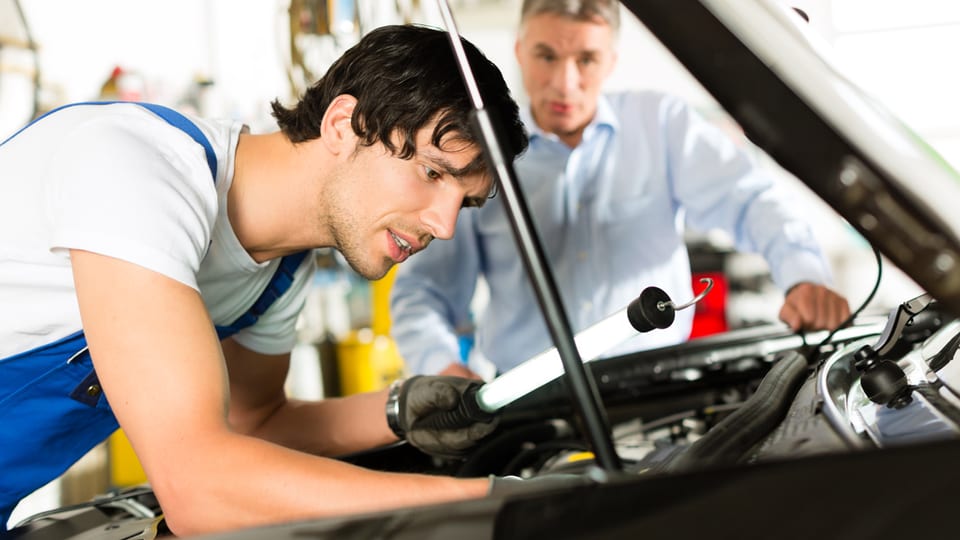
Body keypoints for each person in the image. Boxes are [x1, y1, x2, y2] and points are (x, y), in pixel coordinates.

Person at [0, 24, 528, 536]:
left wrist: (397, 409)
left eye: (467, 202)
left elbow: (254, 422)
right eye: (434, 173)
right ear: (343, 124)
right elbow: (198, 487)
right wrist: (494, 503)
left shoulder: (279, 273)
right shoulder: (138, 167)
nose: (445, 225)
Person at [390, 0, 851, 380]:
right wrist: (442, 367)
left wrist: (805, 274)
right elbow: (426, 289)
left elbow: (752, 201)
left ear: (610, 61)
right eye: (547, 56)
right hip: (532, 399)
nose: (564, 83)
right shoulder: (478, 154)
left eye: (586, 59)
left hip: (666, 385)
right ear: (519, 51)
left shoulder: (663, 125)